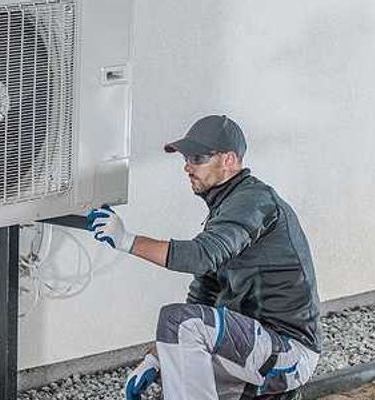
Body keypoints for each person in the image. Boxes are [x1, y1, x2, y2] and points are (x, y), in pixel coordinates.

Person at [86, 115, 322, 400]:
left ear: (229, 160)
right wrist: (157, 357)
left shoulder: (254, 202)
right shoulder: (225, 211)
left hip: (287, 352)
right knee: (173, 375)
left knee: (179, 322)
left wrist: (127, 241)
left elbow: (201, 257)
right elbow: (203, 298)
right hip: (254, 348)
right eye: (187, 158)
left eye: (198, 158)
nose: (187, 167)